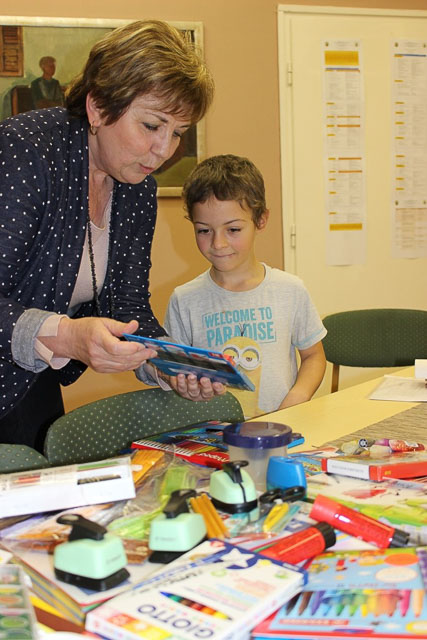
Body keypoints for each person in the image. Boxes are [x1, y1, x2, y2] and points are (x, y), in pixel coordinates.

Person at [0, 20, 222, 451]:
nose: (164, 150)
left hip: (29, 377)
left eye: (178, 133)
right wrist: (67, 336)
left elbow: (128, 305)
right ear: (99, 108)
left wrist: (168, 365)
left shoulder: (136, 190)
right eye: (152, 126)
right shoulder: (26, 152)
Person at [164, 154, 327, 418]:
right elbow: (174, 370)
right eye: (204, 230)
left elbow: (314, 356)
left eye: (233, 230)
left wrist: (297, 397)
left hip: (281, 428)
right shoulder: (184, 300)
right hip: (213, 434)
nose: (218, 243)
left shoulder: (290, 290)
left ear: (260, 220)